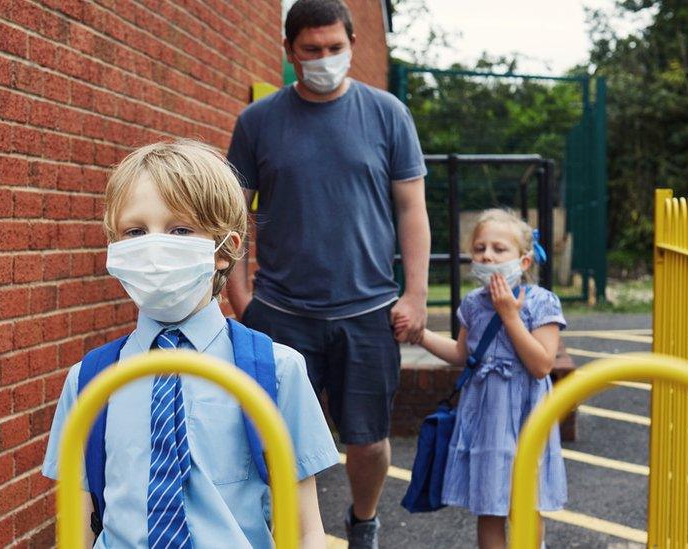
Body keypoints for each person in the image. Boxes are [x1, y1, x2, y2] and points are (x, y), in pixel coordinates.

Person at [41, 140, 339, 548]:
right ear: (115, 247)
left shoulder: (276, 370)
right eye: (135, 231)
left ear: (225, 249)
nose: (154, 246)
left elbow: (306, 530)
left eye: (180, 229)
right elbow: (73, 531)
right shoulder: (89, 381)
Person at [225, 0, 430, 546]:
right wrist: (239, 294)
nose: (324, 59)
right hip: (283, 311)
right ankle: (282, 530)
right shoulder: (258, 122)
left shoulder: (387, 114)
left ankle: (363, 522)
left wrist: (415, 294)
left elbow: (412, 209)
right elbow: (230, 213)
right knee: (274, 436)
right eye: (311, 50)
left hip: (369, 312)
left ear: (352, 45)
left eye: (335, 48)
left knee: (367, 440)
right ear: (290, 52)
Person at [400, 209, 568, 549]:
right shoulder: (474, 304)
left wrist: (509, 315)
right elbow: (463, 355)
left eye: (498, 249)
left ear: (523, 262)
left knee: (525, 503)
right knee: (489, 508)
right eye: (479, 248)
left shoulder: (541, 302)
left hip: (526, 415)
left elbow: (541, 364)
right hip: (486, 417)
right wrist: (420, 336)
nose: (487, 255)